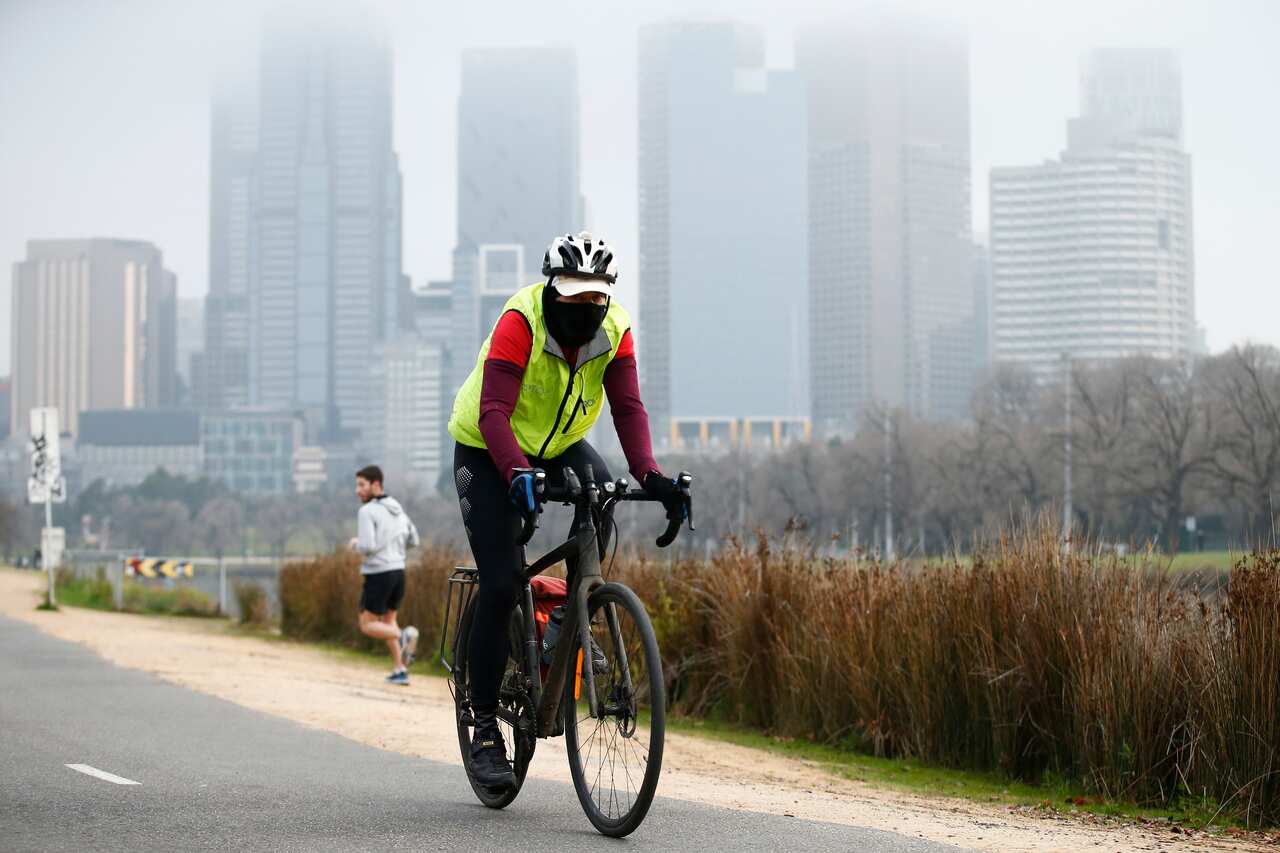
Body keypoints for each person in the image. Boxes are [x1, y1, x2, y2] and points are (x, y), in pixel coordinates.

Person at [447, 231, 689, 790]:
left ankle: (568, 618)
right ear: (552, 288)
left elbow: (628, 407)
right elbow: (492, 412)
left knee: (603, 494)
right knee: (504, 579)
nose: (584, 308)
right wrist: (515, 474)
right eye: (573, 296)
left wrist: (650, 474)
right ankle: (484, 726)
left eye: (594, 298)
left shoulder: (615, 329)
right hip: (489, 448)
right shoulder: (521, 322)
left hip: (556, 446)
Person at [348, 464, 421, 686]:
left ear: (375, 484)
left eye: (362, 485)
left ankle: (403, 637)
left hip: (379, 573)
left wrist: (355, 543)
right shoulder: (396, 508)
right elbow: (414, 540)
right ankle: (401, 670)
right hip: (398, 571)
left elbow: (368, 546)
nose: (357, 490)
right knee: (389, 621)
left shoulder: (367, 511)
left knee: (367, 624)